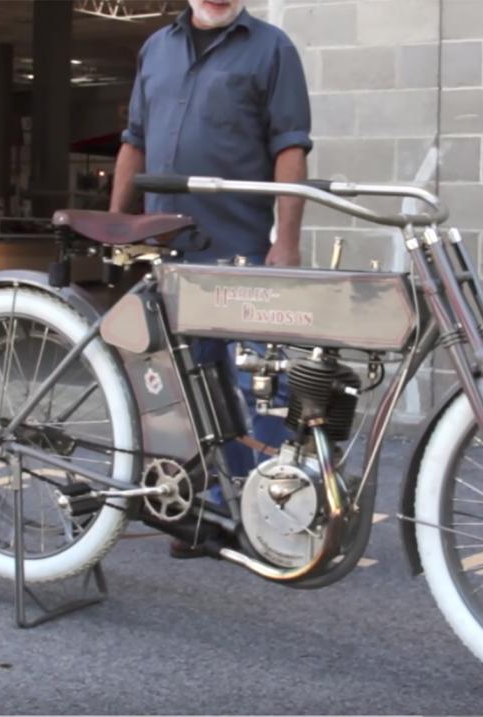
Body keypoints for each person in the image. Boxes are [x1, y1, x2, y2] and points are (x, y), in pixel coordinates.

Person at [109, 0, 312, 525]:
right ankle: (202, 504)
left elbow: (290, 148)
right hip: (167, 251)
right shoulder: (155, 48)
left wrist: (285, 241)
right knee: (181, 386)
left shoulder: (273, 49)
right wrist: (116, 222)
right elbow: (135, 141)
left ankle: (267, 505)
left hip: (238, 248)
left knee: (257, 384)